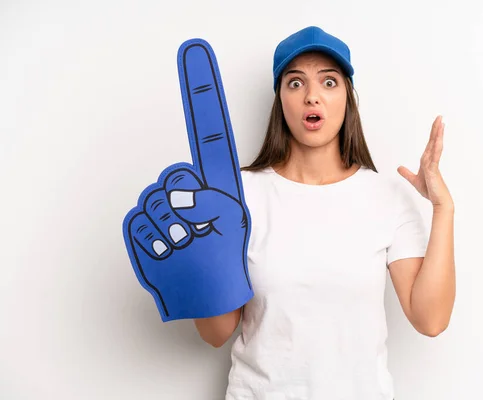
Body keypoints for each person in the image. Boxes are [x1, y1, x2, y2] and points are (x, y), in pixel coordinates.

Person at [193, 26, 456, 400]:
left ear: (348, 97)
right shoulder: (239, 196)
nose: (312, 96)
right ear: (280, 99)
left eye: (329, 82)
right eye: (295, 83)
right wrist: (198, 261)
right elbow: (215, 333)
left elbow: (430, 320)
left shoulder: (387, 196)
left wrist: (443, 208)